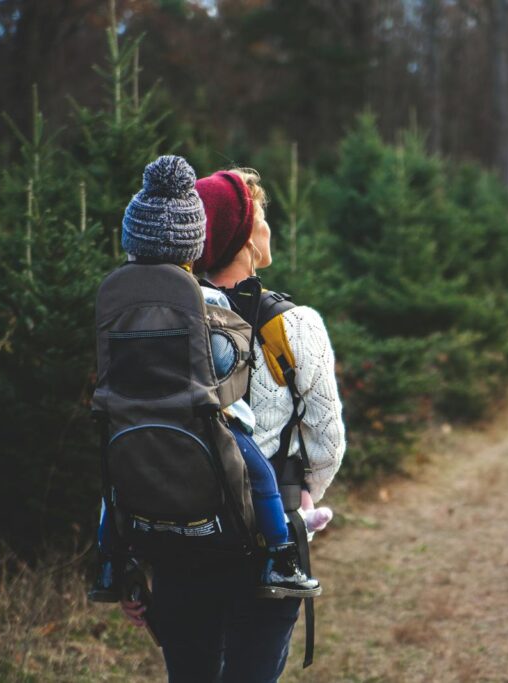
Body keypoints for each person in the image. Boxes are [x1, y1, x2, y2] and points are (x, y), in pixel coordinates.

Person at [120, 165, 346, 682]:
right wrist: (301, 500)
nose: (269, 225)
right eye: (262, 215)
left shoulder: (160, 323)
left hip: (177, 541)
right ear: (244, 235)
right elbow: (327, 443)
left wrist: (130, 552)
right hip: (263, 550)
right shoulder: (294, 325)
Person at [88, 155, 321, 605]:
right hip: (199, 415)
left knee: (113, 483)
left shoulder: (116, 298)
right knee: (258, 473)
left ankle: (109, 563)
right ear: (192, 246)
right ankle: (281, 557)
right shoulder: (204, 298)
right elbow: (223, 358)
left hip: (128, 415)